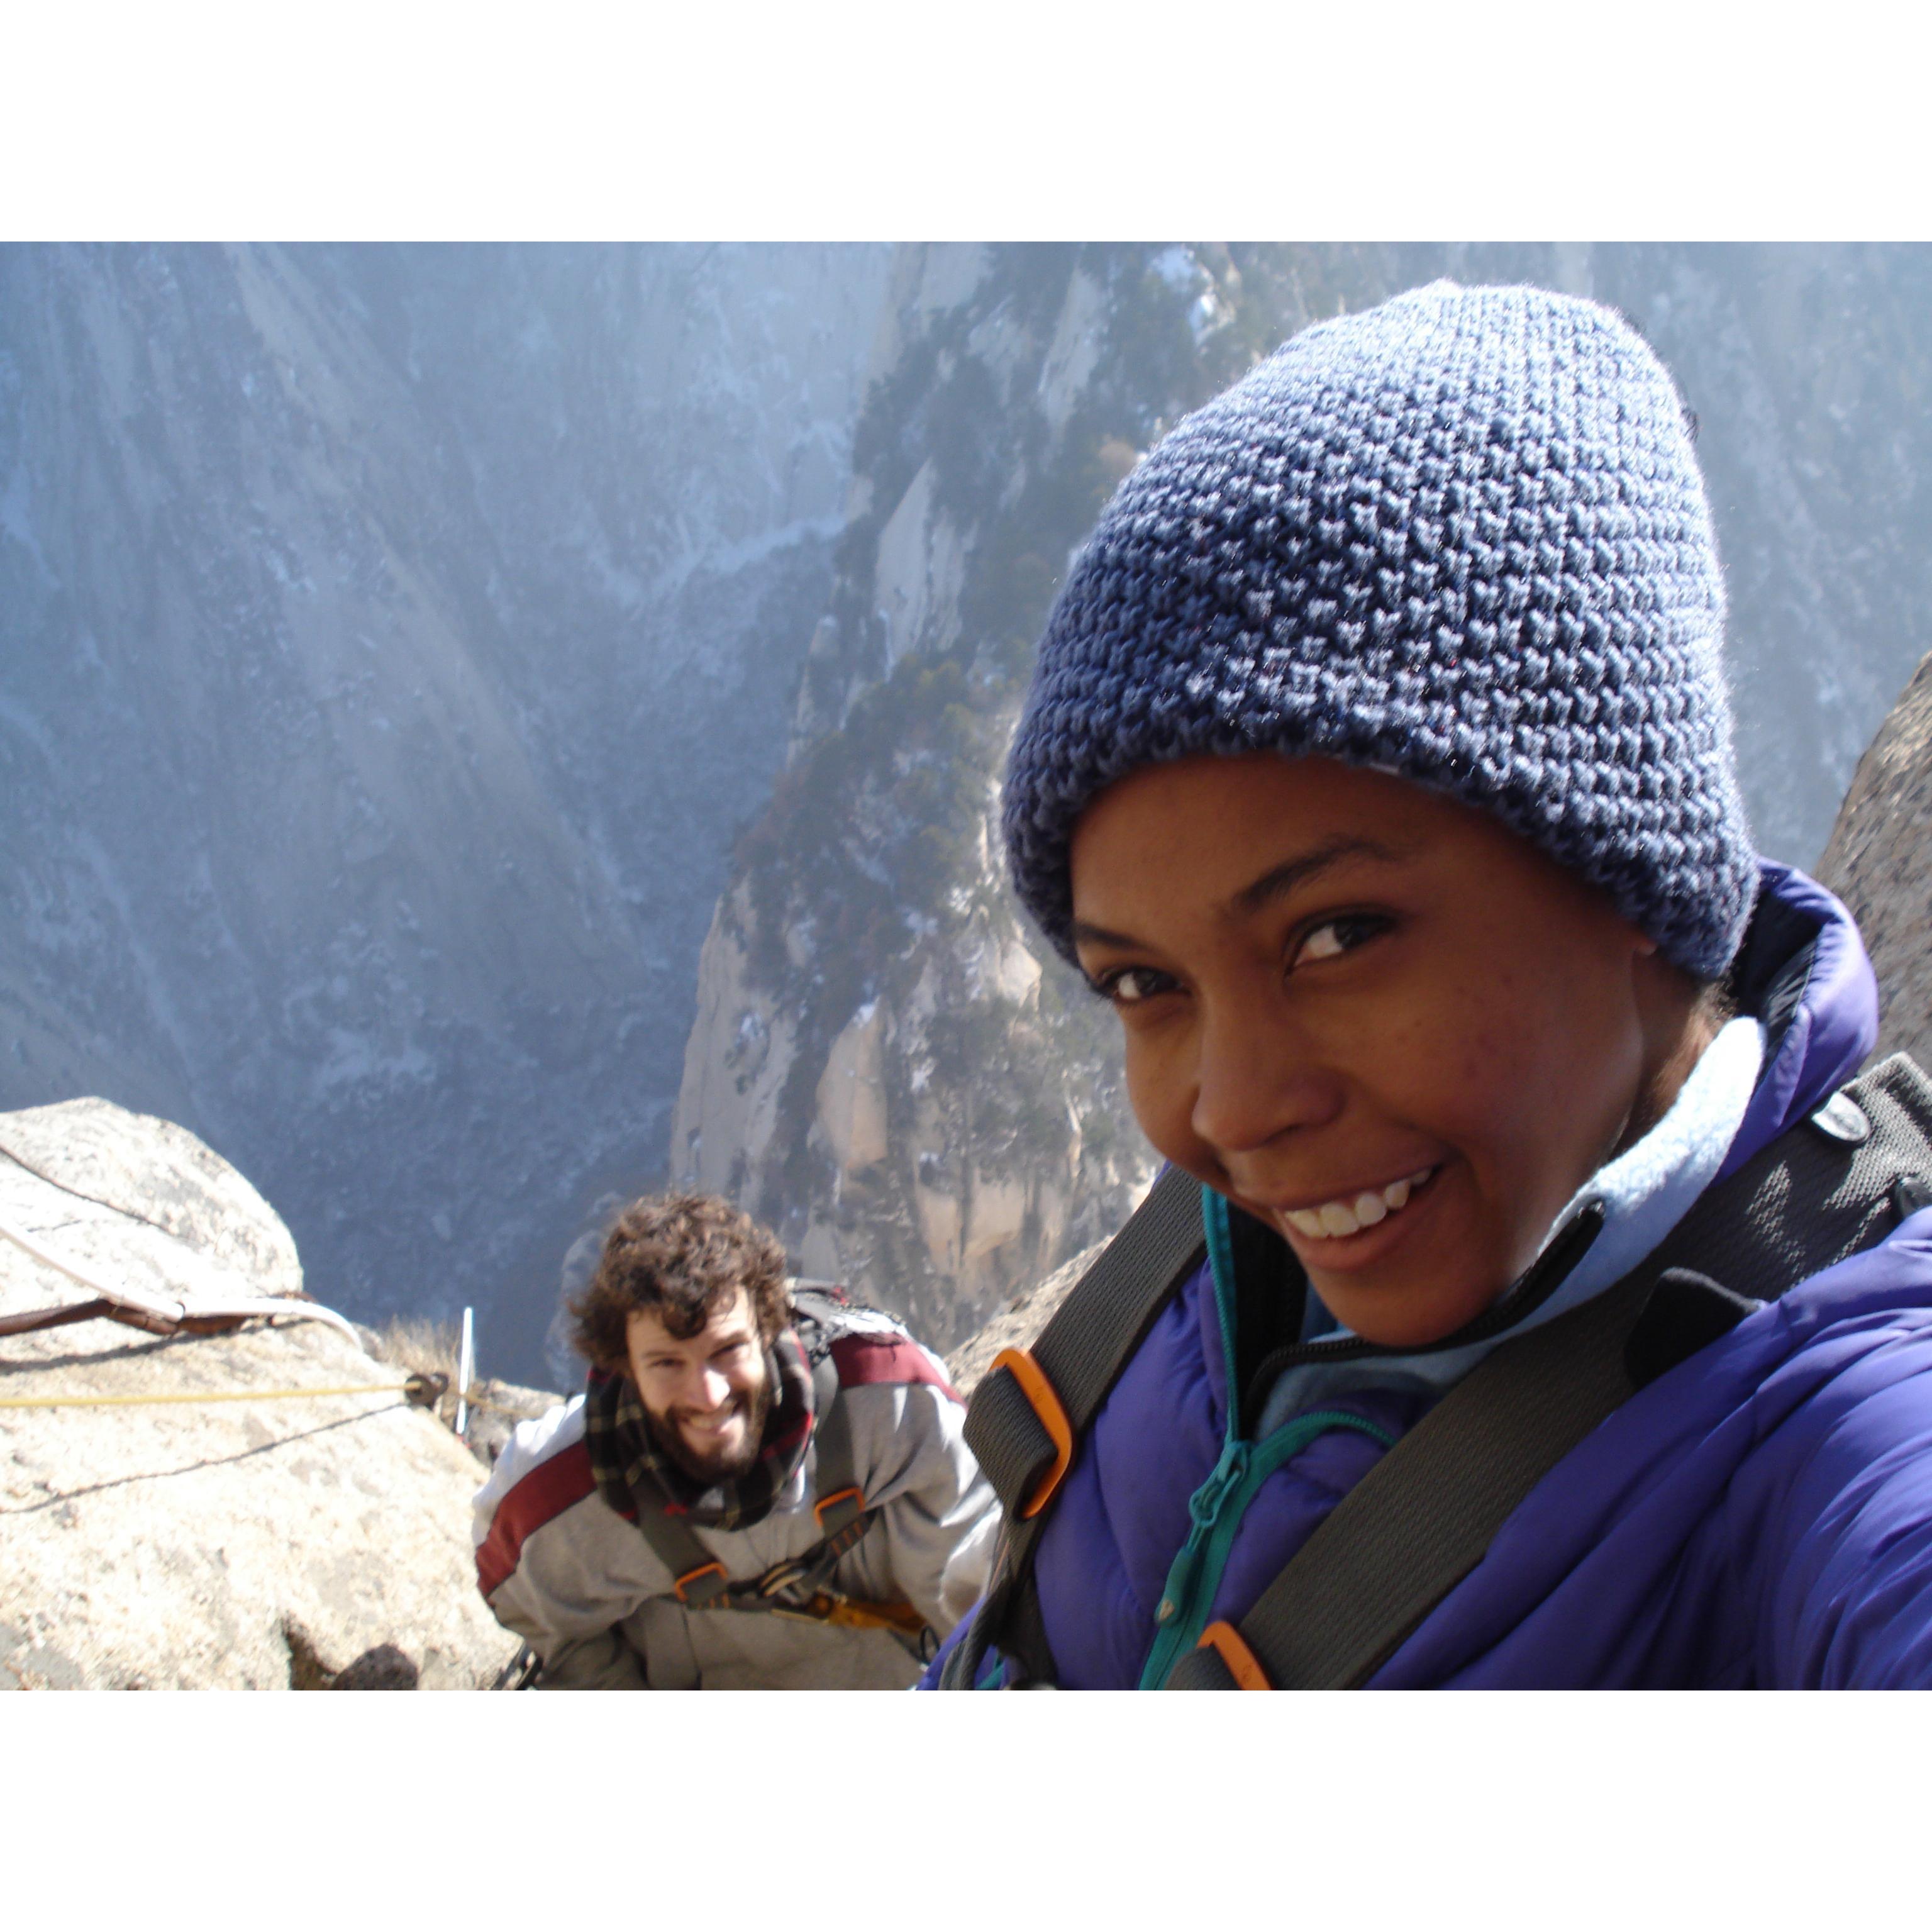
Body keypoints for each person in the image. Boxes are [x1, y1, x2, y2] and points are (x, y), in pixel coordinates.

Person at [924, 280, 1932, 1690]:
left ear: (1629, 876)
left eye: (1337, 937)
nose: (1235, 1111)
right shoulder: (1219, 1261)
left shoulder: (1824, 1418)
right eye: (1146, 982)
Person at [474, 1191, 997, 1687]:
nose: (708, 1394)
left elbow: (970, 1593)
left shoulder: (884, 1402)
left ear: (769, 1326)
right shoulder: (557, 1496)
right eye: (667, 1364)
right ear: (623, 1367)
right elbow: (546, 1622)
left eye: (726, 1350)